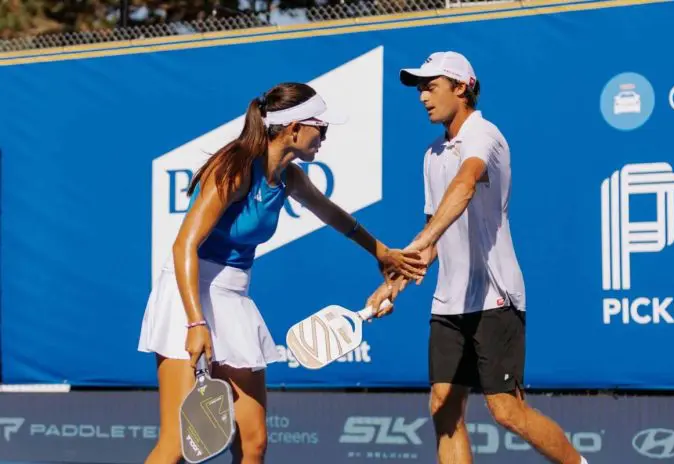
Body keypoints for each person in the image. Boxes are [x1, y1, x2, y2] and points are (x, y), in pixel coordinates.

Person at [137, 82, 425, 464]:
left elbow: (334, 215)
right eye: (321, 129)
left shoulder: (289, 178)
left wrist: (382, 252)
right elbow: (183, 246)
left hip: (232, 297)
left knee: (254, 441)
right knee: (175, 445)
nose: (324, 137)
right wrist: (195, 323)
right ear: (294, 129)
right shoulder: (234, 169)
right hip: (186, 293)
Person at [365, 52, 589, 464]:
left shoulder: (485, 135)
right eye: (419, 88)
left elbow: (466, 185)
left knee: (506, 411)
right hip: (449, 302)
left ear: (462, 87)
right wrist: (393, 284)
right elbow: (433, 239)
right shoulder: (432, 155)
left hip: (495, 296)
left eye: (431, 86)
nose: (422, 97)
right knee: (443, 409)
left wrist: (412, 247)